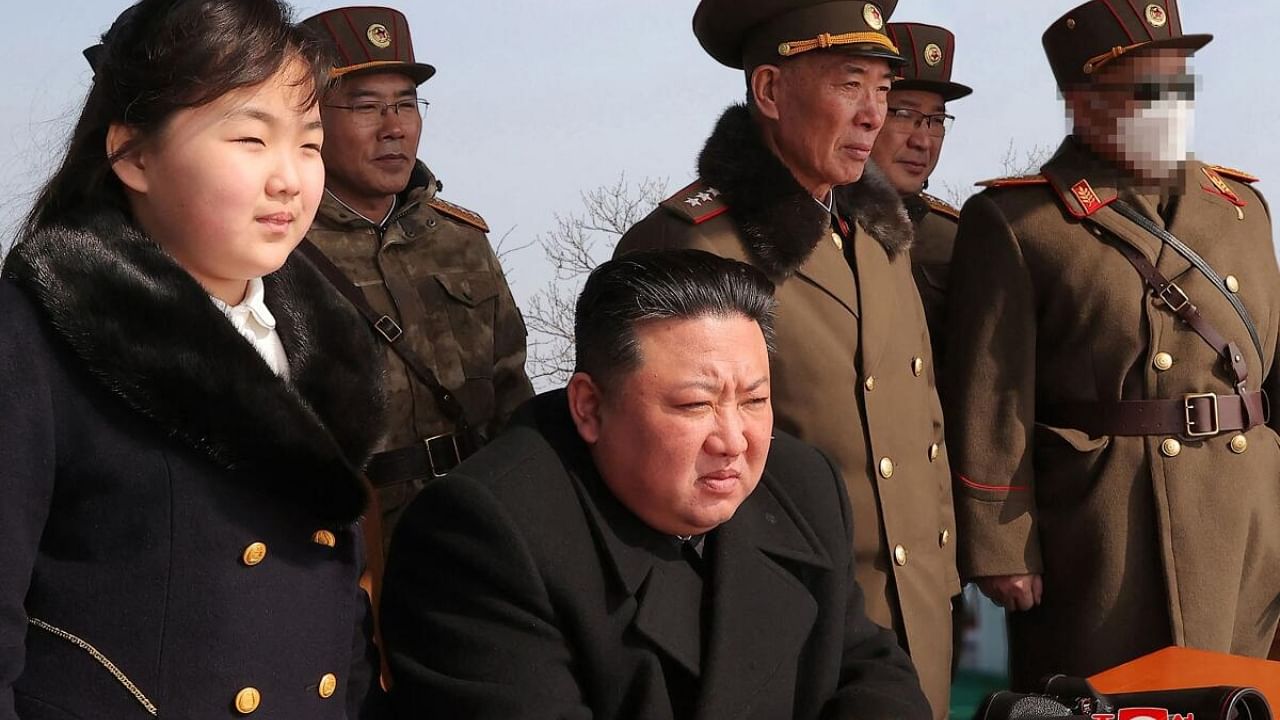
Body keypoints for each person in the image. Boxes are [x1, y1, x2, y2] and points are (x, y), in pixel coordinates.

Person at [0, 1, 388, 717]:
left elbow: (336, 629)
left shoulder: (326, 342)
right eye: (250, 138)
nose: (291, 178)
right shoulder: (36, 339)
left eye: (308, 143)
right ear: (133, 155)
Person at [380, 249, 931, 720]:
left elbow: (869, 670)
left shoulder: (800, 484)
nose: (734, 440)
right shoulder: (482, 534)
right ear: (590, 407)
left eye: (755, 400)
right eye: (696, 405)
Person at [614, 1, 957, 715]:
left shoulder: (880, 237)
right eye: (849, 84)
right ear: (769, 91)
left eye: (883, 89)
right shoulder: (696, 245)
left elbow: (921, 426)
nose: (874, 115)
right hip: (780, 621)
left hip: (913, 612)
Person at [944, 0, 1280, 688]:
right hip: (1104, 519)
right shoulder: (1020, 221)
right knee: (1113, 695)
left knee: (1242, 694)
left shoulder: (1243, 209)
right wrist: (1003, 544)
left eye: (1178, 81)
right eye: (1146, 86)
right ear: (1083, 102)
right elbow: (990, 395)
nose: (1171, 103)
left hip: (1244, 510)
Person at [300, 6, 534, 553]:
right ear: (310, 117)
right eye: (366, 107)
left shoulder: (461, 239)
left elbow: (512, 394)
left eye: (406, 104)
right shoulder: (281, 249)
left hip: (475, 519)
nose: (395, 127)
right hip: (344, 539)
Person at [870, 22, 972, 369]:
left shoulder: (954, 239)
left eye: (936, 120)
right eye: (903, 114)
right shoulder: (811, 224)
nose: (922, 140)